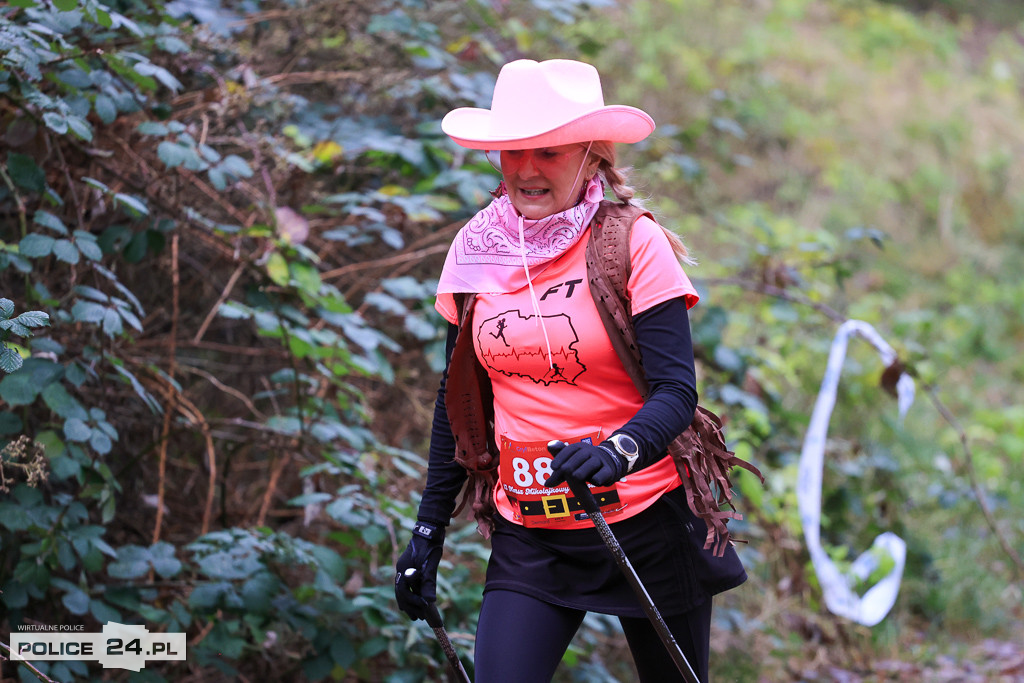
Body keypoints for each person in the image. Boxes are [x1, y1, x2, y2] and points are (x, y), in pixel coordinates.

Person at [394, 58, 749, 682]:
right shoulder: (474, 252)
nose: (527, 170)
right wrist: (428, 529)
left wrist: (619, 451)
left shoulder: (634, 244)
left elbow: (676, 390)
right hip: (530, 530)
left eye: (550, 152)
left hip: (644, 517)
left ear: (591, 154)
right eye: (513, 152)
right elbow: (459, 406)